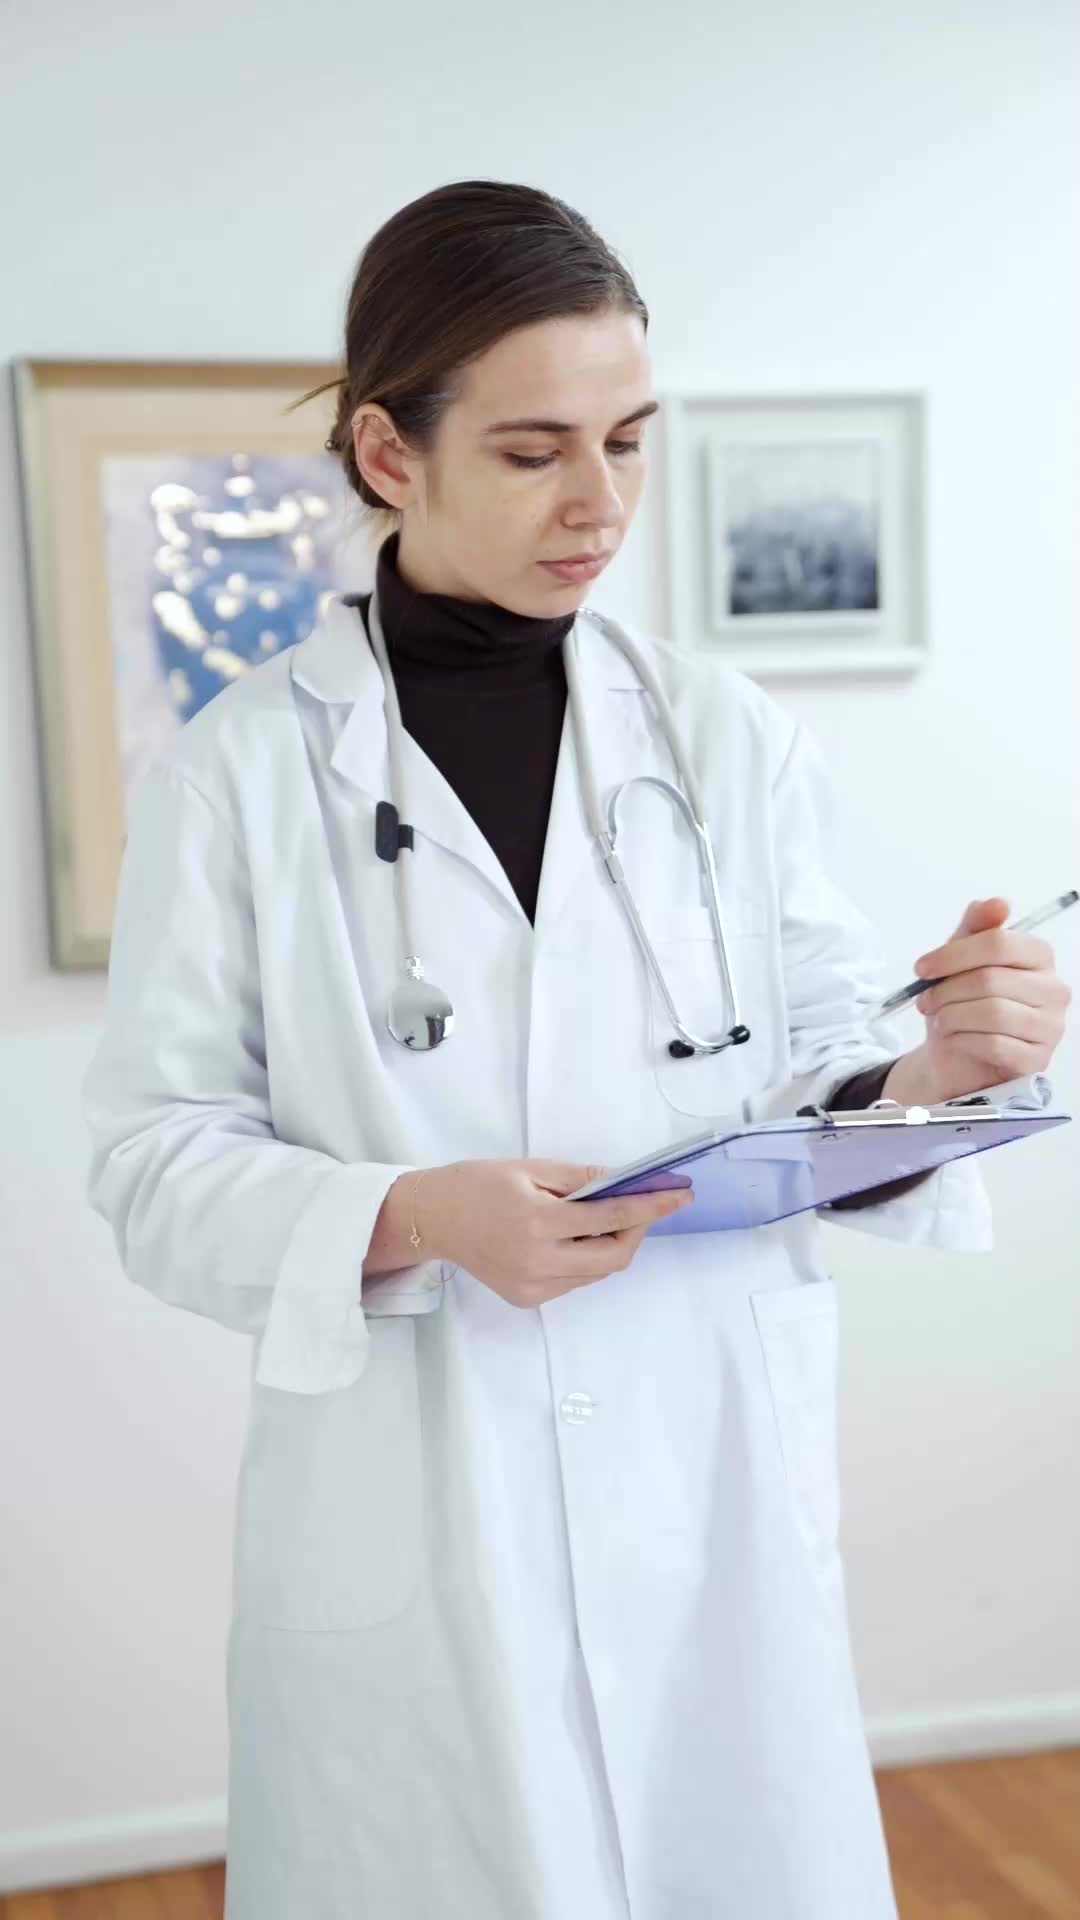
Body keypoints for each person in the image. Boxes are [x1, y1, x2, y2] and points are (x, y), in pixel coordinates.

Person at [82, 180, 1070, 1920]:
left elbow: (826, 1057)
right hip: (420, 1514)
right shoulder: (240, 775)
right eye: (535, 451)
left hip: (706, 1490)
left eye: (628, 440)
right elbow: (154, 1162)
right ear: (388, 453)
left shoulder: (722, 736)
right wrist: (415, 1214)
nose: (601, 503)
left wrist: (933, 1069)